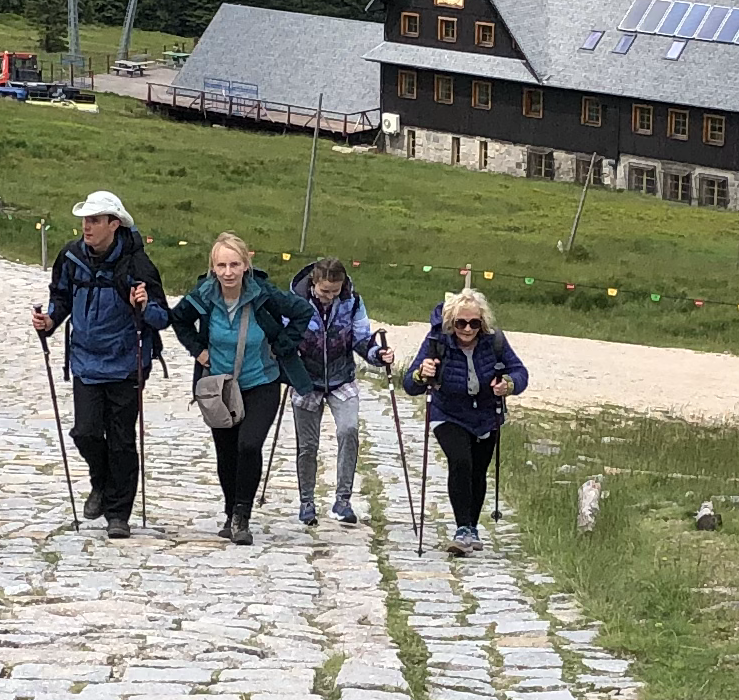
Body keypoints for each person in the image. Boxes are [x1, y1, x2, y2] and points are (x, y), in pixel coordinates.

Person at [32, 190, 166, 538]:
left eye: (94, 220)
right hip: (86, 360)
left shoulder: (138, 265)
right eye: (85, 220)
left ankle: (119, 514)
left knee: (121, 439)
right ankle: (102, 484)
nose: (86, 227)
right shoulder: (71, 257)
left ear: (114, 224)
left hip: (127, 363)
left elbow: (161, 317)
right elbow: (60, 296)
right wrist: (49, 322)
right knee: (86, 432)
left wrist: (144, 304)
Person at [168, 231, 314, 546]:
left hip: (262, 381)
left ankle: (242, 517)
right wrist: (199, 350)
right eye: (221, 265)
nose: (228, 272)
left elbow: (302, 312)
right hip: (219, 386)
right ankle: (229, 509)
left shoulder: (262, 293)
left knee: (248, 445)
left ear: (246, 265)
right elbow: (178, 319)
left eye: (234, 264)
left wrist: (283, 346)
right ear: (213, 267)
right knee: (226, 451)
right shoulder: (204, 294)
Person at [398, 287, 528, 552]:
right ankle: (461, 529)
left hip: (486, 415)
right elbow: (410, 384)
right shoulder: (437, 341)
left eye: (473, 323)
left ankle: (472, 528)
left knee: (478, 471)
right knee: (460, 461)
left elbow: (520, 372)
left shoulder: (494, 341)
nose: (467, 329)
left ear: (482, 323)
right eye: (461, 323)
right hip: (448, 413)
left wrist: (509, 384)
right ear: (450, 322)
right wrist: (422, 374)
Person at [282, 257, 389, 530]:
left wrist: (379, 355)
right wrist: (285, 358)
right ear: (313, 283)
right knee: (307, 445)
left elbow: (362, 339)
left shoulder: (352, 302)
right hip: (306, 380)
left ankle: (343, 501)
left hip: (342, 379)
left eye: (335, 290)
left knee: (348, 430)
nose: (330, 296)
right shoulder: (294, 302)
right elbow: (283, 338)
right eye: (324, 291)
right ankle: (307, 502)